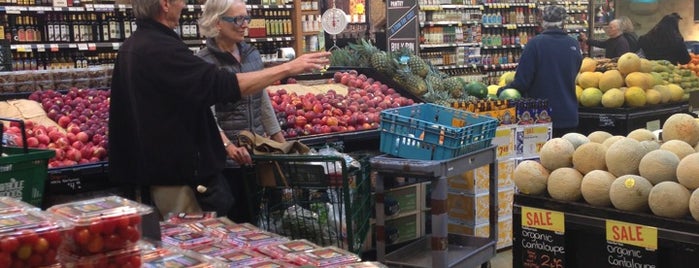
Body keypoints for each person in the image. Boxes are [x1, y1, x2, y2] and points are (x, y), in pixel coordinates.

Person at [109, 0, 330, 218]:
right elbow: (219, 87)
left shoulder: (133, 47)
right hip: (175, 178)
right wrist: (288, 68)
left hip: (159, 174)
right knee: (197, 241)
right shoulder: (160, 50)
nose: (184, 4)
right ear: (165, 4)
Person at [194, 0, 284, 222]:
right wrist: (228, 147)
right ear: (217, 23)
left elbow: (262, 100)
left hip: (255, 153)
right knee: (233, 221)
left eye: (246, 18)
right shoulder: (203, 62)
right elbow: (206, 113)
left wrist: (279, 141)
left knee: (255, 219)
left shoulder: (252, 55)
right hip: (224, 164)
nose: (245, 25)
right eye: (237, 19)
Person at [499, 5, 582, 138]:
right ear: (564, 22)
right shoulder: (574, 44)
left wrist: (502, 91)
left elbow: (522, 82)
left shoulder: (535, 44)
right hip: (569, 115)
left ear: (542, 22)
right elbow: (575, 72)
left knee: (542, 157)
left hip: (540, 116)